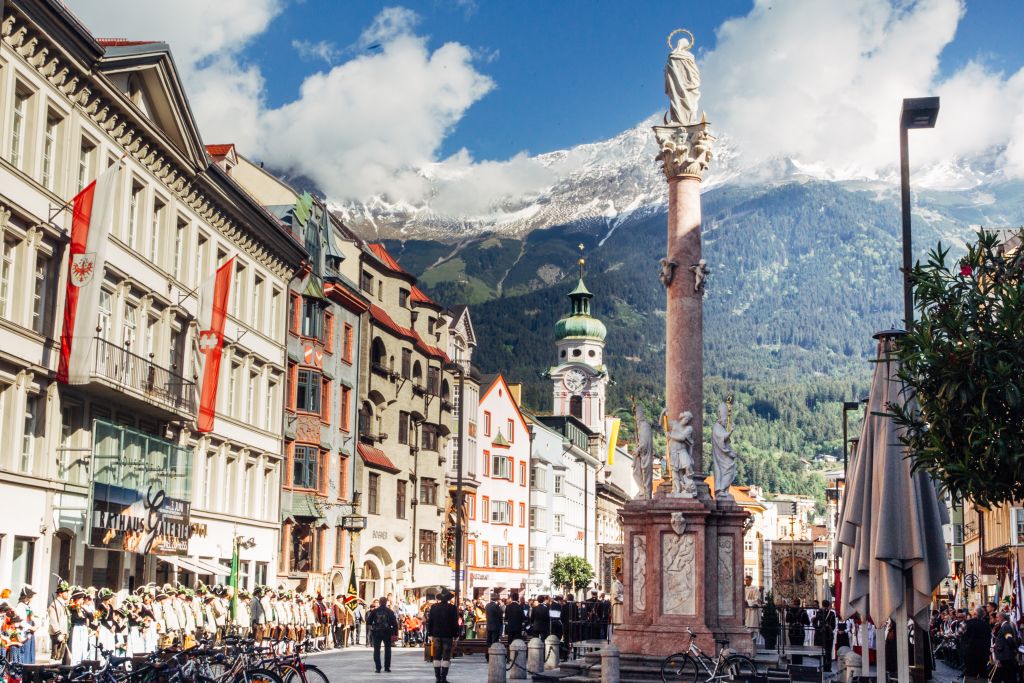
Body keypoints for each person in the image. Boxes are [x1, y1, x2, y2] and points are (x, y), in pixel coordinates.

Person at [426, 588, 459, 683]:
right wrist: (456, 635)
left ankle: (437, 678)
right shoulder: (452, 608)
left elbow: (430, 622)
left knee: (436, 655)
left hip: (436, 634)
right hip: (448, 635)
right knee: (446, 656)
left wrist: (430, 633)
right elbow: (455, 623)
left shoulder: (434, 607)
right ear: (448, 599)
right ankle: (443, 678)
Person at [367, 596, 398, 673]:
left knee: (376, 650)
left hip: (377, 632)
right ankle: (387, 667)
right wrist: (395, 633)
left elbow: (368, 621)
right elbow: (395, 623)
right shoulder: (390, 611)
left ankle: (378, 668)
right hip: (387, 632)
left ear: (380, 602)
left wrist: (372, 628)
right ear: (386, 602)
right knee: (388, 650)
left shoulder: (374, 611)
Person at [961, 606, 990, 677]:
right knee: (983, 672)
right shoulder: (986, 625)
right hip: (983, 653)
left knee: (971, 673)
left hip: (970, 651)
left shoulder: (967, 623)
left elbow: (958, 633)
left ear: (974, 614)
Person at [47, 581, 70, 663]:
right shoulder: (54, 604)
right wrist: (58, 632)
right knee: (55, 656)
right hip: (57, 633)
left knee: (61, 656)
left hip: (63, 632)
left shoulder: (63, 604)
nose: (67, 593)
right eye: (66, 592)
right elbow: (53, 620)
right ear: (60, 593)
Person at [993, 611, 1018, 682]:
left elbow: (1009, 639)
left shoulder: (1006, 626)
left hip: (1005, 656)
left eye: (997, 617)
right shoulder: (1004, 626)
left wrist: (1014, 650)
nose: (996, 619)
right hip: (1004, 655)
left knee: (1008, 676)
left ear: (1002, 617)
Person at [814, 599, 837, 672]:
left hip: (821, 634)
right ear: (828, 605)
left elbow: (814, 622)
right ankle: (828, 668)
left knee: (822, 651)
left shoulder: (819, 612)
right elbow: (833, 626)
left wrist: (817, 628)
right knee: (828, 652)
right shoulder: (832, 613)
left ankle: (822, 667)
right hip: (829, 634)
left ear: (822, 605)